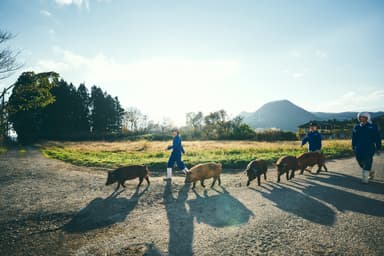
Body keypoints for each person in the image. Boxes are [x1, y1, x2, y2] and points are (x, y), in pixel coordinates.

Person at [352, 112, 381, 183]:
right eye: (360, 117)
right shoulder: (357, 127)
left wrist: (378, 148)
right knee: (360, 161)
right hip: (359, 148)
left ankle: (365, 178)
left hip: (369, 147)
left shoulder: (372, 126)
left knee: (367, 161)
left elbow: (377, 138)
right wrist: (353, 147)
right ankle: (370, 171)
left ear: (367, 118)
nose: (361, 118)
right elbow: (354, 138)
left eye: (363, 117)